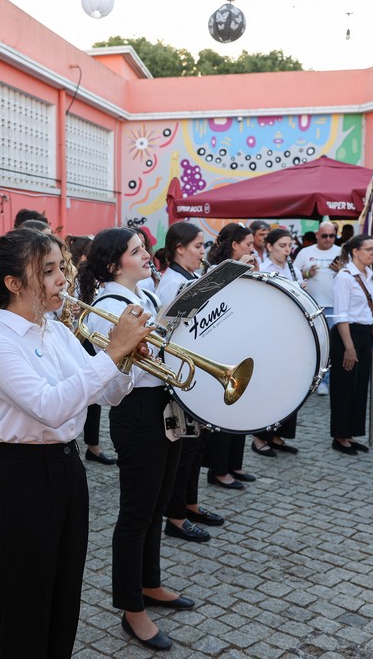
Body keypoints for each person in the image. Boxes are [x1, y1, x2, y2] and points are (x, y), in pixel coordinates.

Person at [0, 227, 151, 658]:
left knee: (65, 599)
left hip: (67, 471)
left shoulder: (57, 331)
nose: (63, 279)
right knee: (25, 607)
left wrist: (129, 363)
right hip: (22, 478)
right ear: (14, 283)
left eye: (61, 268)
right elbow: (49, 406)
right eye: (48, 271)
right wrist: (111, 355)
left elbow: (109, 395)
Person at [79, 228, 191, 651]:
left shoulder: (144, 294)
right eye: (136, 251)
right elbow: (112, 373)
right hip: (137, 411)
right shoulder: (108, 307)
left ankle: (150, 584)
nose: (147, 255)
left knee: (158, 504)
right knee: (136, 514)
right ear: (113, 265)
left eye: (144, 248)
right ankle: (131, 609)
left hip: (161, 404)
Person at [156, 222, 223, 543]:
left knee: (195, 449)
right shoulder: (171, 286)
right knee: (184, 451)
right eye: (198, 246)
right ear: (180, 248)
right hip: (183, 376)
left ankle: (190, 504)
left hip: (197, 373)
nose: (202, 252)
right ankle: (176, 517)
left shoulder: (192, 279)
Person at [203, 223, 258, 489]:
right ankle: (218, 469)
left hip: (242, 340)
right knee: (225, 410)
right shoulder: (215, 271)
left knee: (243, 407)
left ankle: (235, 464)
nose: (252, 249)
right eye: (248, 244)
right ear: (234, 245)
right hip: (222, 346)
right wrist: (238, 272)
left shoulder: (243, 267)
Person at [66, 234, 115, 465]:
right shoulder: (71, 278)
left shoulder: (96, 279)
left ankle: (92, 445)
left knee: (94, 394)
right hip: (78, 337)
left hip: (87, 336)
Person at [254, 228, 304, 457]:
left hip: (292, 332)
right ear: (270, 246)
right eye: (282, 245)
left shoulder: (293, 270)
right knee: (270, 386)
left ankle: (277, 435)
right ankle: (259, 437)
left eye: (289, 246)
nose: (287, 250)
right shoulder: (262, 270)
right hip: (270, 334)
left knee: (288, 385)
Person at [329, 234, 373, 455]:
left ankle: (351, 433)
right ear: (356, 252)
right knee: (344, 386)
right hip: (347, 335)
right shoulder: (345, 277)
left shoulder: (369, 275)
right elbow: (341, 315)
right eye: (369, 249)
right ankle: (339, 436)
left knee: (360, 386)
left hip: (364, 334)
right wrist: (349, 347)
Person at [295, 221, 341, 396]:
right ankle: (306, 379)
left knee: (328, 347)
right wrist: (308, 274)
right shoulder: (305, 252)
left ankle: (324, 381)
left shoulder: (340, 252)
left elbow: (351, 276)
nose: (328, 239)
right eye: (324, 236)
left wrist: (341, 270)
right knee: (310, 345)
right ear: (317, 235)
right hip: (309, 306)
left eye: (332, 236)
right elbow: (293, 274)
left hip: (333, 306)